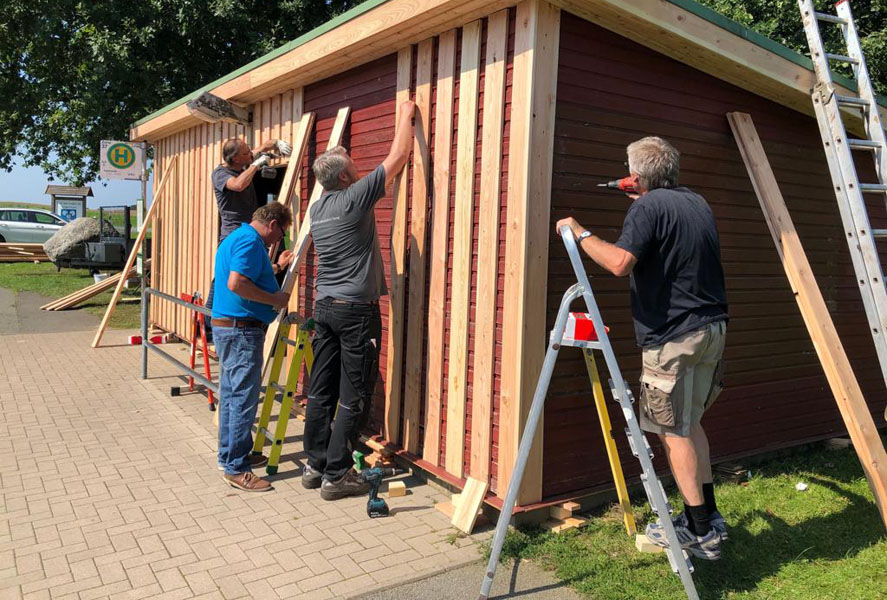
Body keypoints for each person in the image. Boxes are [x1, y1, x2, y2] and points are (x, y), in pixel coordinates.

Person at [555, 136, 728, 560]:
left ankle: (699, 533)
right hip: (711, 328)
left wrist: (579, 232)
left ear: (636, 175)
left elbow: (619, 263)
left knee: (673, 432)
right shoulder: (695, 201)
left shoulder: (646, 207)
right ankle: (707, 517)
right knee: (691, 424)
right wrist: (646, 194)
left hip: (673, 338)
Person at [303, 100, 416, 501]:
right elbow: (399, 156)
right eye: (351, 162)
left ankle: (315, 464)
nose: (356, 165)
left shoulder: (318, 209)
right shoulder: (354, 198)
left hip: (325, 308)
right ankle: (337, 476)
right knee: (354, 393)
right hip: (354, 312)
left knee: (321, 389)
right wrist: (406, 115)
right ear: (346, 174)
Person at [212, 203, 293, 492]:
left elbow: (249, 274)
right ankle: (236, 469)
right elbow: (237, 283)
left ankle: (230, 455)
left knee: (232, 396)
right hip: (241, 331)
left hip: (231, 328)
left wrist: (278, 267)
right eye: (281, 232)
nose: (278, 239)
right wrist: (273, 300)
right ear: (272, 223)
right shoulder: (249, 241)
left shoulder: (238, 238)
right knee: (242, 400)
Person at [205, 137, 292, 338]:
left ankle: (218, 324)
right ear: (235, 159)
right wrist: (255, 165)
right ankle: (211, 323)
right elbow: (238, 185)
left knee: (252, 272)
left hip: (251, 231)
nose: (250, 154)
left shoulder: (242, 159)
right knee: (226, 278)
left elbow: (263, 147)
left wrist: (276, 143)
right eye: (246, 153)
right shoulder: (221, 173)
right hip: (233, 233)